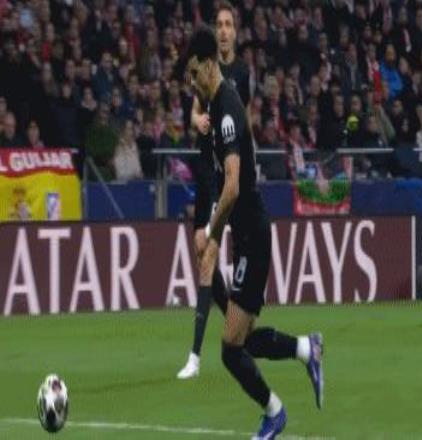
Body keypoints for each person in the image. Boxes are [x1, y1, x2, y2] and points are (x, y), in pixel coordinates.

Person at [184, 26, 323, 439]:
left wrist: (211, 233)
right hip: (246, 236)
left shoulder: (227, 108)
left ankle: (274, 413)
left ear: (210, 65)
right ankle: (306, 348)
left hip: (253, 238)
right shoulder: (217, 106)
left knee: (230, 349)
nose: (192, 82)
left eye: (194, 73)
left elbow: (233, 186)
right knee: (240, 337)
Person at [177, 1, 252, 380]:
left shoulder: (240, 75)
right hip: (205, 168)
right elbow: (193, 111)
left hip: (227, 173)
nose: (223, 30)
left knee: (208, 257)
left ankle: (195, 356)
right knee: (200, 252)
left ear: (234, 32)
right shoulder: (203, 68)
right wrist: (198, 120)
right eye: (218, 24)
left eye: (228, 24)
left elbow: (243, 123)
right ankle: (235, 326)